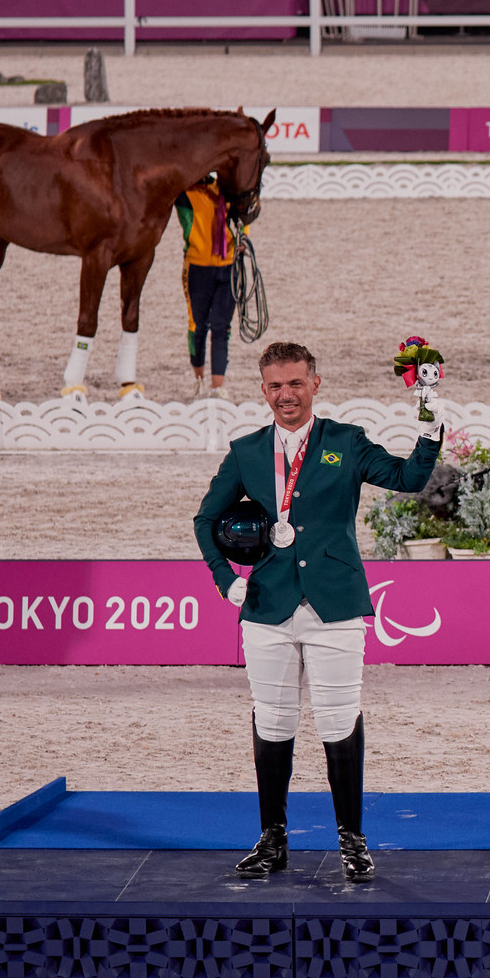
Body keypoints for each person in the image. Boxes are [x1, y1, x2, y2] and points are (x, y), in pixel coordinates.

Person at [192, 340, 443, 882]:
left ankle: (353, 842)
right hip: (266, 605)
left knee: (337, 720)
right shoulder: (246, 451)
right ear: (263, 390)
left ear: (316, 384)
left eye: (297, 384)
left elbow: (410, 479)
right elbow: (204, 520)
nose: (287, 395)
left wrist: (429, 417)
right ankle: (272, 839)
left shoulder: (346, 442)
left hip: (335, 603)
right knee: (274, 721)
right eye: (276, 386)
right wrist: (224, 581)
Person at [179, 174, 241, 399]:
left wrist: (243, 238)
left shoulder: (228, 188)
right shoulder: (184, 191)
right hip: (197, 266)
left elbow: (244, 216)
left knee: (221, 327)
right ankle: (198, 380)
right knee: (197, 325)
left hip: (229, 264)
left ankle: (217, 387)